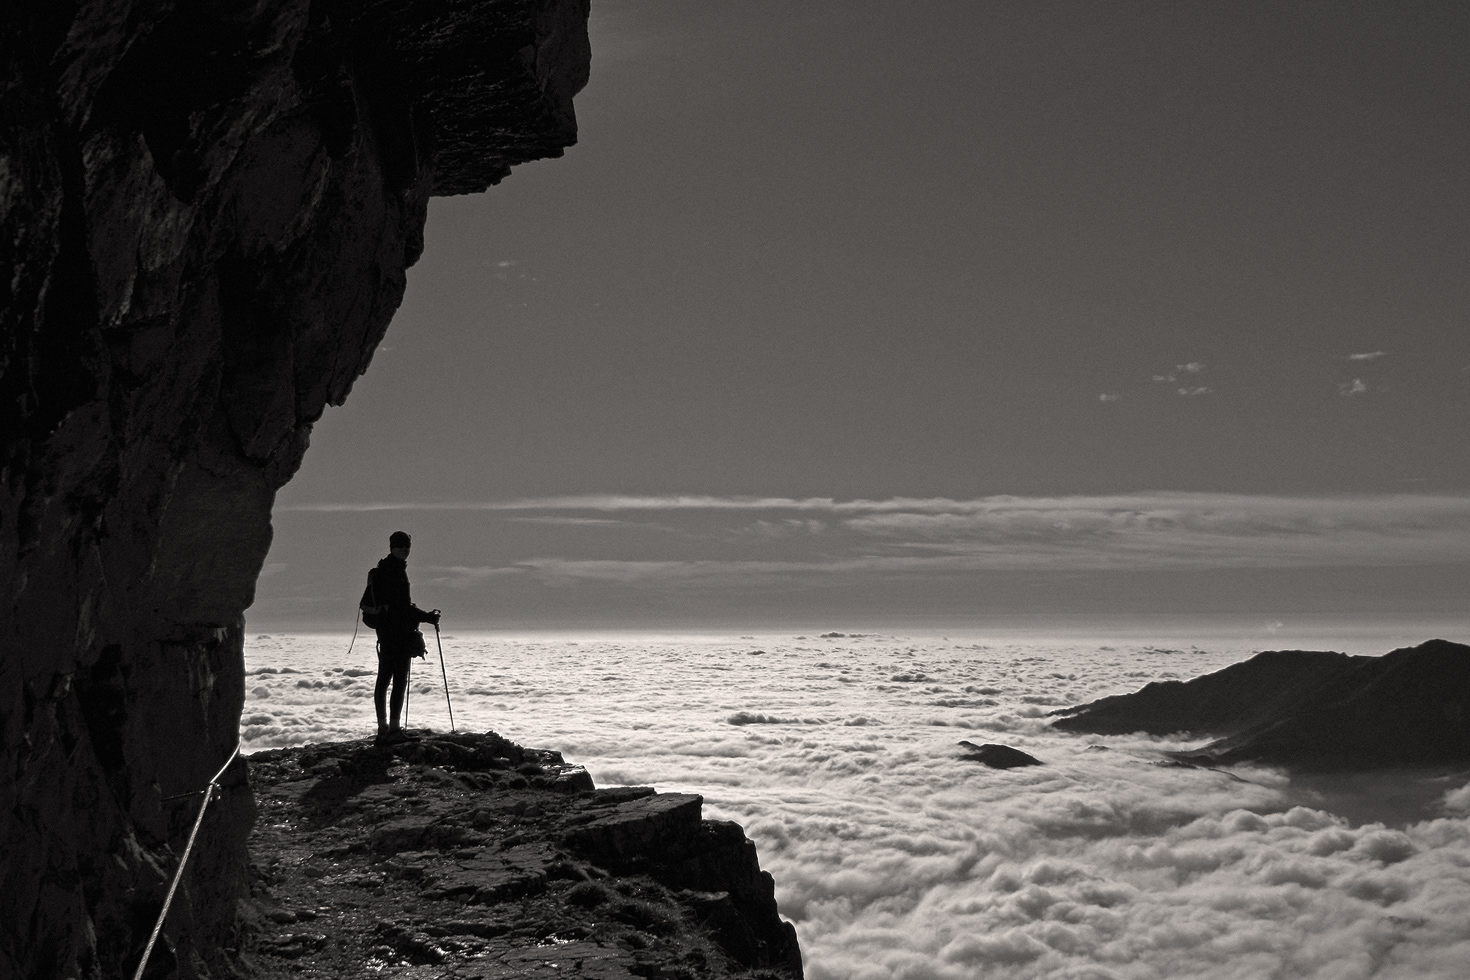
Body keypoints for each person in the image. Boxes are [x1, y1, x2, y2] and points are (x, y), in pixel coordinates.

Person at [361, 530, 440, 744]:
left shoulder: (384, 569)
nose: (405, 550)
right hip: (398, 633)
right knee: (398, 681)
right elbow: (402, 608)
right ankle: (393, 729)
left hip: (385, 633)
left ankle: (383, 728)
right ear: (393, 547)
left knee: (384, 679)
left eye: (407, 546)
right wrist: (427, 617)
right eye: (401, 546)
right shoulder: (395, 572)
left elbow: (397, 606)